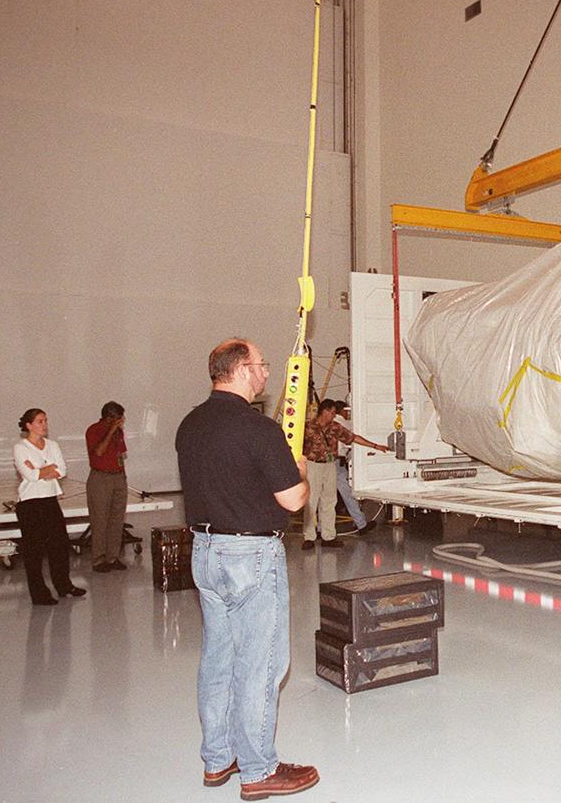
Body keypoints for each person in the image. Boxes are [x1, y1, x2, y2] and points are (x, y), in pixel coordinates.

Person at [175, 337, 319, 798]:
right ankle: (259, 771)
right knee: (261, 663)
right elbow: (293, 500)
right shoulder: (259, 429)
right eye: (261, 364)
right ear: (240, 369)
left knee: (218, 659)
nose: (266, 373)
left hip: (205, 551)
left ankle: (218, 759)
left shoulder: (190, 424)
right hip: (250, 557)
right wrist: (301, 472)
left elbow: (230, 482)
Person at [13, 409, 85, 606]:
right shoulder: (20, 447)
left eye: (45, 420)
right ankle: (39, 593)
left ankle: (64, 585)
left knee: (59, 546)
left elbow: (62, 470)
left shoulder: (53, 445)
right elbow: (30, 475)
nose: (44, 424)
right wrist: (47, 469)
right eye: (40, 421)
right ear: (29, 425)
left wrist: (41, 470)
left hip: (50, 500)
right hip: (30, 503)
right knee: (34, 551)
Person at [300, 400, 388, 549]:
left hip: (330, 465)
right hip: (313, 465)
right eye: (332, 412)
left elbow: (353, 437)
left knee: (329, 501)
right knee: (311, 501)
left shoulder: (335, 427)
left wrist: (375, 446)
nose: (334, 416)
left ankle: (328, 536)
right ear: (324, 411)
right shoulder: (308, 427)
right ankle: (309, 537)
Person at [327, 400, 387, 536]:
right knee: (347, 495)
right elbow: (354, 436)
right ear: (342, 410)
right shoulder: (341, 422)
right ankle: (361, 524)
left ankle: (321, 530)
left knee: (326, 498)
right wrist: (375, 446)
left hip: (329, 463)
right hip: (336, 464)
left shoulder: (328, 423)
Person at [85, 400, 128, 572]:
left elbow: (120, 454)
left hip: (118, 476)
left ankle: (113, 557)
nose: (121, 421)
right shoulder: (93, 430)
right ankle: (98, 559)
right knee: (100, 519)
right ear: (109, 417)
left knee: (117, 519)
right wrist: (110, 432)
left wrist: (123, 475)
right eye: (119, 418)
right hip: (101, 478)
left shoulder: (119, 432)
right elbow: (99, 451)